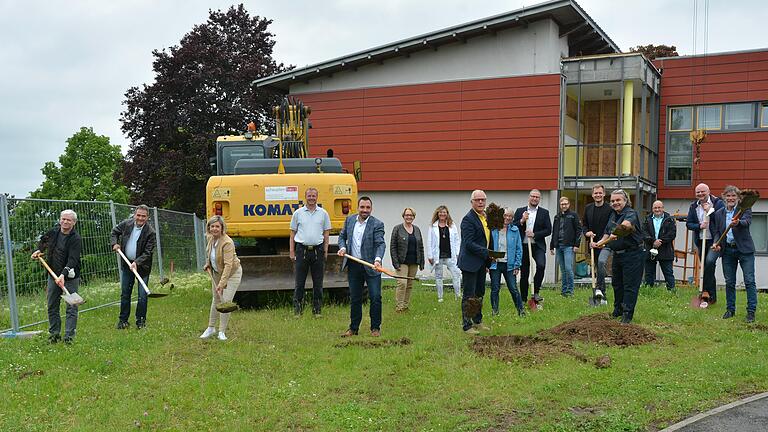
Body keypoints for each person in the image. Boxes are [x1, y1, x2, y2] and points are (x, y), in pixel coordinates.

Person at [592, 190, 644, 324]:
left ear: (625, 201)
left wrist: (618, 231)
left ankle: (627, 315)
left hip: (633, 254)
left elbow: (626, 225)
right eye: (613, 201)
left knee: (630, 286)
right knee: (617, 284)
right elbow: (607, 233)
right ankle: (618, 310)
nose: (615, 203)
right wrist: (598, 243)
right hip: (618, 255)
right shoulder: (613, 215)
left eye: (618, 200)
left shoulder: (631, 213)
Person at [31, 209, 82, 344]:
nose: (65, 222)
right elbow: (42, 241)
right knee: (52, 305)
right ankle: (54, 335)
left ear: (74, 222)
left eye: (68, 220)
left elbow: (73, 259)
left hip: (70, 276)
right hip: (52, 275)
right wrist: (39, 250)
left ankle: (69, 337)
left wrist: (63, 275)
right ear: (60, 220)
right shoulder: (53, 232)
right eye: (63, 219)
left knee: (71, 306)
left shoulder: (75, 238)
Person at [338, 196, 386, 337]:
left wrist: (377, 260)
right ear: (358, 208)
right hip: (354, 265)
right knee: (355, 298)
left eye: (368, 207)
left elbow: (380, 244)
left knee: (375, 297)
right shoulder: (350, 220)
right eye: (362, 207)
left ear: (371, 209)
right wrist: (343, 248)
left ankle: (375, 328)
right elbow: (342, 237)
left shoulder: (377, 224)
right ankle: (353, 328)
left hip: (371, 265)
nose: (365, 210)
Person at [710, 186, 757, 323]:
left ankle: (751, 312)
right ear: (724, 197)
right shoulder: (719, 213)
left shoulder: (744, 209)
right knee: (729, 282)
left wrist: (738, 222)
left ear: (738, 198)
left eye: (733, 196)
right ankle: (730, 310)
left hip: (745, 250)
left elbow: (747, 222)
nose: (731, 198)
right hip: (728, 251)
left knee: (749, 281)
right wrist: (716, 243)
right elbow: (718, 232)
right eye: (728, 196)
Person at [110, 205, 157, 329]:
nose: (140, 218)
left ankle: (140, 321)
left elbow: (148, 252)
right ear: (134, 215)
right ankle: (123, 321)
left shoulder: (150, 232)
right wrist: (114, 243)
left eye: (143, 216)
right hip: (127, 265)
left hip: (142, 268)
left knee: (142, 295)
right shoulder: (126, 224)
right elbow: (115, 232)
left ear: (147, 217)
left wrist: (137, 262)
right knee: (125, 293)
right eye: (138, 215)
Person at [289, 188, 331, 317]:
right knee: (299, 282)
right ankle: (298, 311)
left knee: (318, 283)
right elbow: (292, 233)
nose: (311, 198)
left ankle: (317, 311)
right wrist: (292, 251)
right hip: (302, 250)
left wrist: (326, 250)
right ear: (305, 197)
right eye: (309, 196)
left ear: (317, 197)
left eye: (314, 196)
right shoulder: (298, 213)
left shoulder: (323, 213)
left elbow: (326, 233)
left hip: (318, 250)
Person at [200, 215, 242, 341]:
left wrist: (222, 284)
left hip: (232, 274)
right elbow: (210, 254)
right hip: (217, 273)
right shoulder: (210, 238)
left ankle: (221, 331)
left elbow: (228, 265)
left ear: (222, 228)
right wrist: (208, 263)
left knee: (225, 301)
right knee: (216, 300)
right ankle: (211, 328)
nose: (214, 229)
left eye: (217, 226)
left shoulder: (227, 242)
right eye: (212, 226)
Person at [458, 190, 492, 335]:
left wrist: (491, 255)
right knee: (469, 295)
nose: (480, 203)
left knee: (479, 293)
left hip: (481, 262)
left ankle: (477, 321)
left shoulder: (485, 218)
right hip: (470, 263)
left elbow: (488, 238)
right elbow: (469, 243)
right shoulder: (468, 219)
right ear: (471, 202)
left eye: (483, 200)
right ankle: (467, 325)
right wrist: (487, 252)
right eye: (477, 200)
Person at [686, 183, 724, 304]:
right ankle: (711, 297)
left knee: (709, 263)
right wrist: (699, 226)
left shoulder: (717, 203)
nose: (700, 194)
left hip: (715, 240)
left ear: (708, 191)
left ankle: (705, 291)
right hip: (701, 240)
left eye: (703, 191)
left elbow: (721, 220)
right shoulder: (694, 206)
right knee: (707, 269)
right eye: (698, 192)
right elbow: (689, 223)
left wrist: (710, 211)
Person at [513, 189, 552, 305]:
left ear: (539, 199)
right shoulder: (520, 211)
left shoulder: (544, 213)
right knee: (524, 272)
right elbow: (513, 226)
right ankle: (524, 298)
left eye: (537, 197)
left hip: (538, 245)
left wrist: (535, 234)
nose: (535, 199)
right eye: (533, 196)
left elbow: (548, 230)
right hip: (523, 245)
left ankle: (536, 291)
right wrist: (522, 220)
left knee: (541, 265)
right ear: (529, 197)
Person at [489, 207, 524, 316]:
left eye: (510, 216)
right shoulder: (493, 229)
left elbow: (519, 248)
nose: (507, 218)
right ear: (501, 216)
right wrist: (488, 261)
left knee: (513, 288)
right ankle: (495, 311)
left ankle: (521, 311)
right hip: (495, 264)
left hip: (510, 265)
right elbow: (488, 246)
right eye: (505, 215)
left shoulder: (515, 230)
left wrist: (517, 265)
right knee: (495, 288)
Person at [582, 184, 613, 303]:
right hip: (593, 244)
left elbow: (610, 227)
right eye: (596, 193)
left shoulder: (609, 209)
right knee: (597, 268)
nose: (598, 195)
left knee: (601, 263)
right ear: (592, 194)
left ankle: (599, 289)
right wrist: (587, 233)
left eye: (600, 193)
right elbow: (584, 225)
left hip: (605, 243)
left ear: (604, 194)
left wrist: (602, 241)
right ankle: (601, 295)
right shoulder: (588, 208)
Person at [390, 207, 424, 312]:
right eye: (407, 215)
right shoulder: (397, 229)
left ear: (414, 217)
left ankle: (405, 306)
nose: (409, 217)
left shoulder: (417, 229)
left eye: (411, 215)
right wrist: (395, 262)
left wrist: (421, 262)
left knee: (409, 284)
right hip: (402, 262)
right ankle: (399, 307)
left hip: (414, 262)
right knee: (402, 283)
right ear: (403, 216)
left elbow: (421, 247)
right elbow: (393, 246)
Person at [428, 205, 462, 302]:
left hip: (450, 255)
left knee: (456, 274)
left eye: (444, 212)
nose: (442, 214)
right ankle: (440, 297)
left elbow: (456, 240)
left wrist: (457, 253)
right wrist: (430, 255)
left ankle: (458, 295)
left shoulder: (452, 225)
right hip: (438, 255)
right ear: (437, 214)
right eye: (440, 212)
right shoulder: (433, 226)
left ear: (447, 214)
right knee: (439, 277)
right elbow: (429, 241)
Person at [550, 197, 581, 297]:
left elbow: (578, 230)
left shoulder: (573, 216)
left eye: (566, 204)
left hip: (569, 246)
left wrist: (577, 244)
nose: (564, 206)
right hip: (559, 246)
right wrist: (552, 246)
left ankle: (570, 291)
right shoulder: (557, 217)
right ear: (560, 205)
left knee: (568, 268)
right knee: (562, 270)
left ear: (569, 204)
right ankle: (563, 292)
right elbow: (554, 232)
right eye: (562, 204)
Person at [642, 200, 677, 291]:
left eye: (659, 207)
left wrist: (660, 242)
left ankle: (672, 292)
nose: (657, 209)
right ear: (652, 209)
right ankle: (648, 292)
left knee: (668, 272)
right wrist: (653, 241)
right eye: (655, 208)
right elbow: (644, 233)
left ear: (663, 208)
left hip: (665, 249)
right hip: (650, 248)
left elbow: (672, 234)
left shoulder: (669, 219)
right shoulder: (647, 219)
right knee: (649, 273)